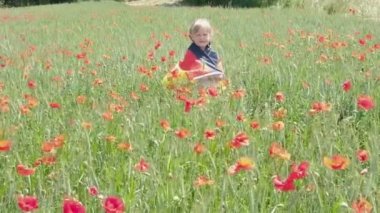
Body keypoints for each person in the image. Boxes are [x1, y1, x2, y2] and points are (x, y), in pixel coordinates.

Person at [162, 18, 225, 89]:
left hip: (212, 83)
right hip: (197, 83)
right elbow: (190, 71)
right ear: (192, 37)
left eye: (205, 35)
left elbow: (219, 70)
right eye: (198, 35)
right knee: (202, 82)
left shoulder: (213, 54)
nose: (202, 37)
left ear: (210, 36)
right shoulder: (191, 53)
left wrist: (219, 73)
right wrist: (207, 73)